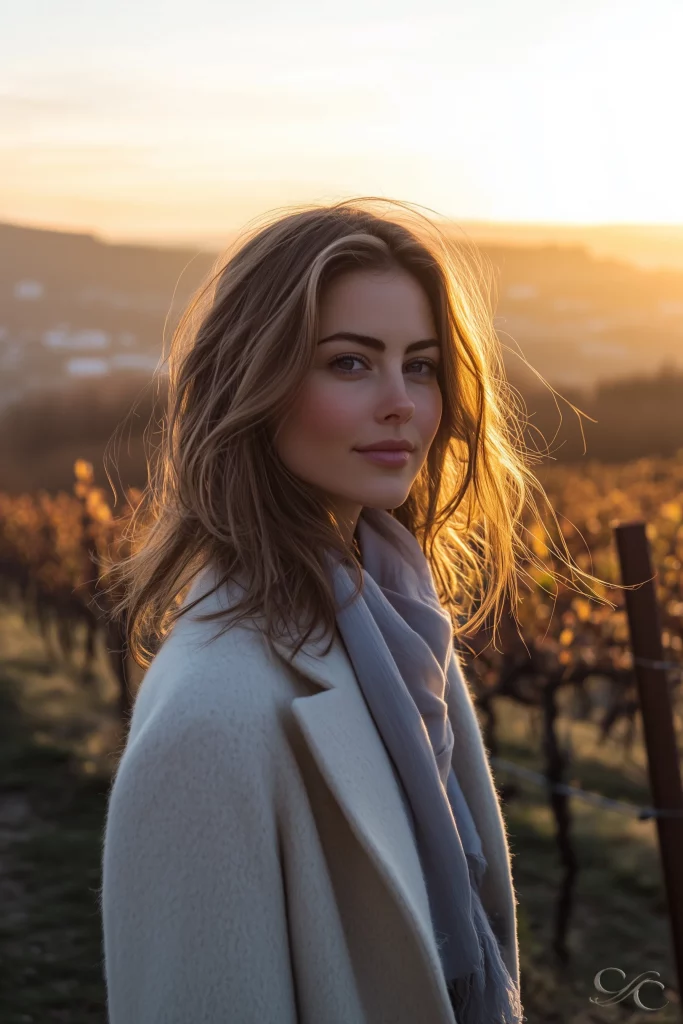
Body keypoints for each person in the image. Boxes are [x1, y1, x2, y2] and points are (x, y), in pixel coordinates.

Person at [99, 197, 605, 1023]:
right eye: (348, 363)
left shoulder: (399, 630)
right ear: (250, 382)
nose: (401, 402)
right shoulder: (211, 721)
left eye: (421, 365)